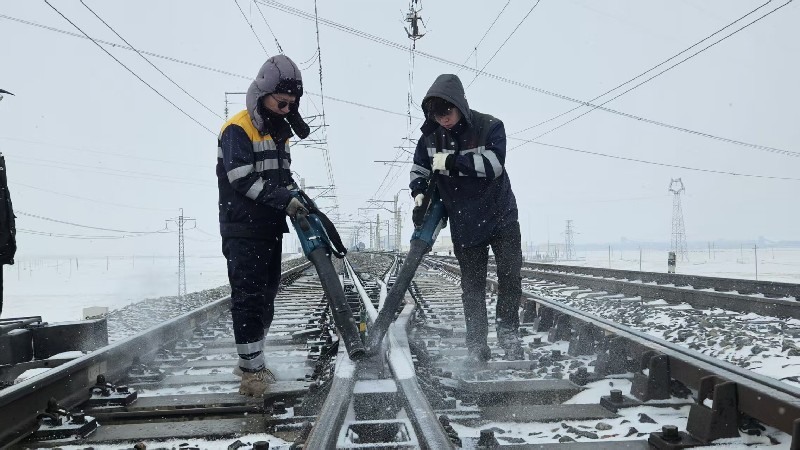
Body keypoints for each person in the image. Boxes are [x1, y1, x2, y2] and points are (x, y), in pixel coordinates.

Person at [409, 74, 525, 367]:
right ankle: (476, 345)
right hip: (464, 220)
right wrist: (419, 194)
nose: (443, 119)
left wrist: (452, 162)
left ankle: (508, 335)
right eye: (437, 115)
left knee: (510, 278)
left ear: (459, 104)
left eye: (447, 112)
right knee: (472, 287)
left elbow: (494, 165)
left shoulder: (490, 126)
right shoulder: (430, 138)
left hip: (500, 215)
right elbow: (419, 170)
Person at [216, 55, 311, 397]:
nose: (287, 109)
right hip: (243, 228)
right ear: (263, 94)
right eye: (281, 103)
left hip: (268, 228)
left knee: (266, 297)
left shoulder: (277, 132)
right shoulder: (238, 129)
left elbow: (280, 179)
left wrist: (297, 198)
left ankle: (254, 360)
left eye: (291, 104)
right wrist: (284, 200)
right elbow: (242, 179)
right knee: (249, 299)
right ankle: (250, 373)